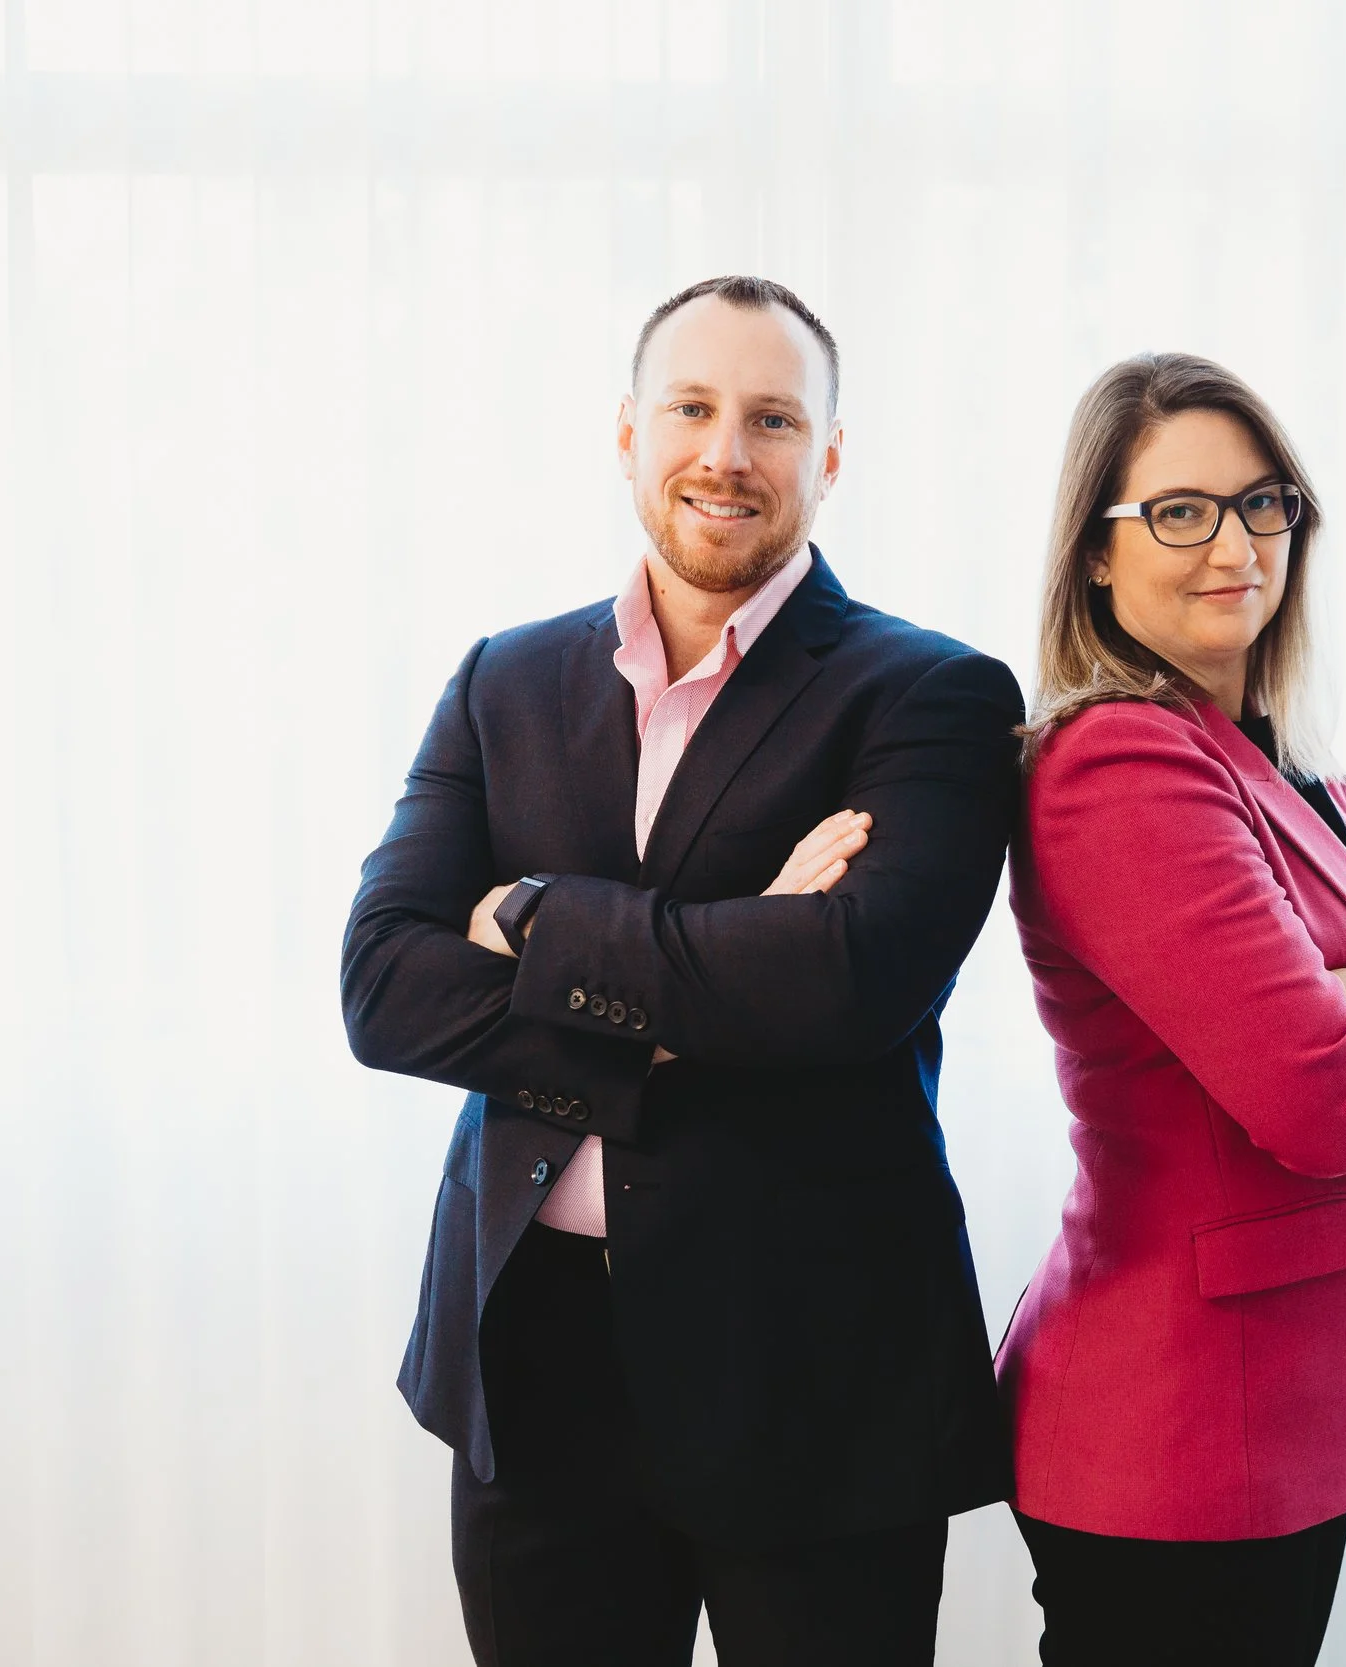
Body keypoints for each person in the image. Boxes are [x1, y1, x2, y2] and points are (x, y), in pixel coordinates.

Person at [340, 275, 1022, 1667]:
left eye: (773, 418)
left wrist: (533, 914)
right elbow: (385, 986)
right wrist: (721, 968)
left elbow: (845, 986)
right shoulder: (502, 680)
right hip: (534, 1362)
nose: (726, 452)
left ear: (830, 456)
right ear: (628, 432)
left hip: (812, 1370)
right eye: (692, 408)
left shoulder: (933, 696)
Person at [995, 353, 1346, 1666]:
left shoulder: (1277, 752)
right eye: (1179, 511)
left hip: (1272, 1411)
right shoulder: (1119, 762)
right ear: (1096, 553)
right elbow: (1317, 1097)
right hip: (1178, 1425)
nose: (1235, 546)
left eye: (1260, 503)